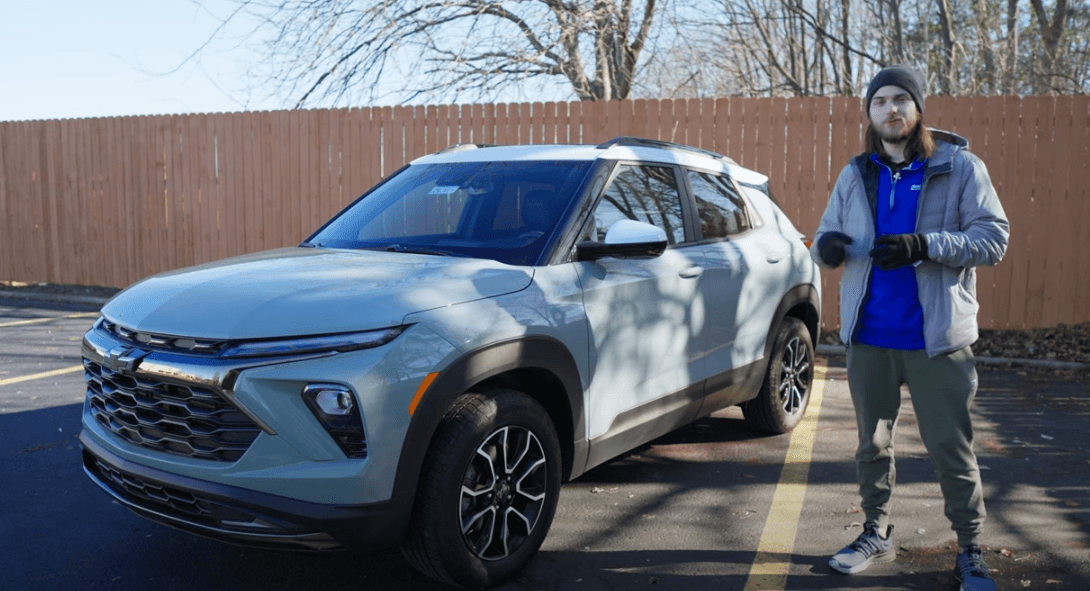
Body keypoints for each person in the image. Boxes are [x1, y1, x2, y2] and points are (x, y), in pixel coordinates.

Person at [810, 64, 1009, 591]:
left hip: (936, 339)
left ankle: (969, 549)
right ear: (870, 113)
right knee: (872, 447)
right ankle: (875, 531)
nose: (891, 109)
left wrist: (925, 245)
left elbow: (993, 238)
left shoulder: (959, 167)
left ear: (918, 109)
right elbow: (825, 234)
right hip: (870, 337)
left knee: (951, 449)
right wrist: (825, 247)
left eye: (901, 99)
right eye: (880, 101)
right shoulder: (856, 173)